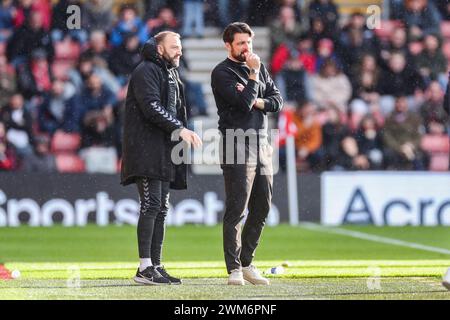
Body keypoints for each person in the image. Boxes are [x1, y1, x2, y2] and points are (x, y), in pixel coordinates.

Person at [121, 31, 202, 286]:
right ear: (159, 49)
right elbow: (151, 107)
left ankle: (155, 265)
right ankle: (144, 267)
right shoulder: (146, 70)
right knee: (152, 204)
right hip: (145, 149)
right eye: (175, 47)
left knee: (162, 208)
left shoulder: (170, 72)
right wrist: (180, 129)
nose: (180, 51)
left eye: (180, 47)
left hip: (163, 150)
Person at [211, 22, 283, 286]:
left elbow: (277, 100)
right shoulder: (222, 73)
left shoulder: (260, 68)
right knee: (237, 208)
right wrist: (252, 78)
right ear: (228, 45)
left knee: (262, 206)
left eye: (249, 43)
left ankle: (247, 262)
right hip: (235, 143)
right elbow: (242, 105)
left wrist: (258, 100)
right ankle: (234, 270)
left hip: (262, 143)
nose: (246, 48)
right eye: (241, 43)